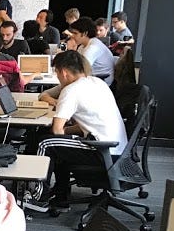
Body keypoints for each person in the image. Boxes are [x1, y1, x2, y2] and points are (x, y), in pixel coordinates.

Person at [38, 50, 128, 211]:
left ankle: (39, 197)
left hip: (102, 150)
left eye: (57, 73)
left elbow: (57, 130)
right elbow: (87, 124)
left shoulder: (71, 90)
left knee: (46, 144)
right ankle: (61, 193)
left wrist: (64, 135)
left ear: (63, 72)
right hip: (119, 150)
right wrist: (67, 134)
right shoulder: (97, 82)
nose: (58, 77)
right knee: (59, 145)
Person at [69, 17, 116, 84]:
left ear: (85, 33)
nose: (72, 36)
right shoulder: (82, 46)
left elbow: (80, 70)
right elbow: (74, 66)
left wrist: (71, 50)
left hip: (101, 83)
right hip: (91, 79)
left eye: (75, 33)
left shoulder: (93, 48)